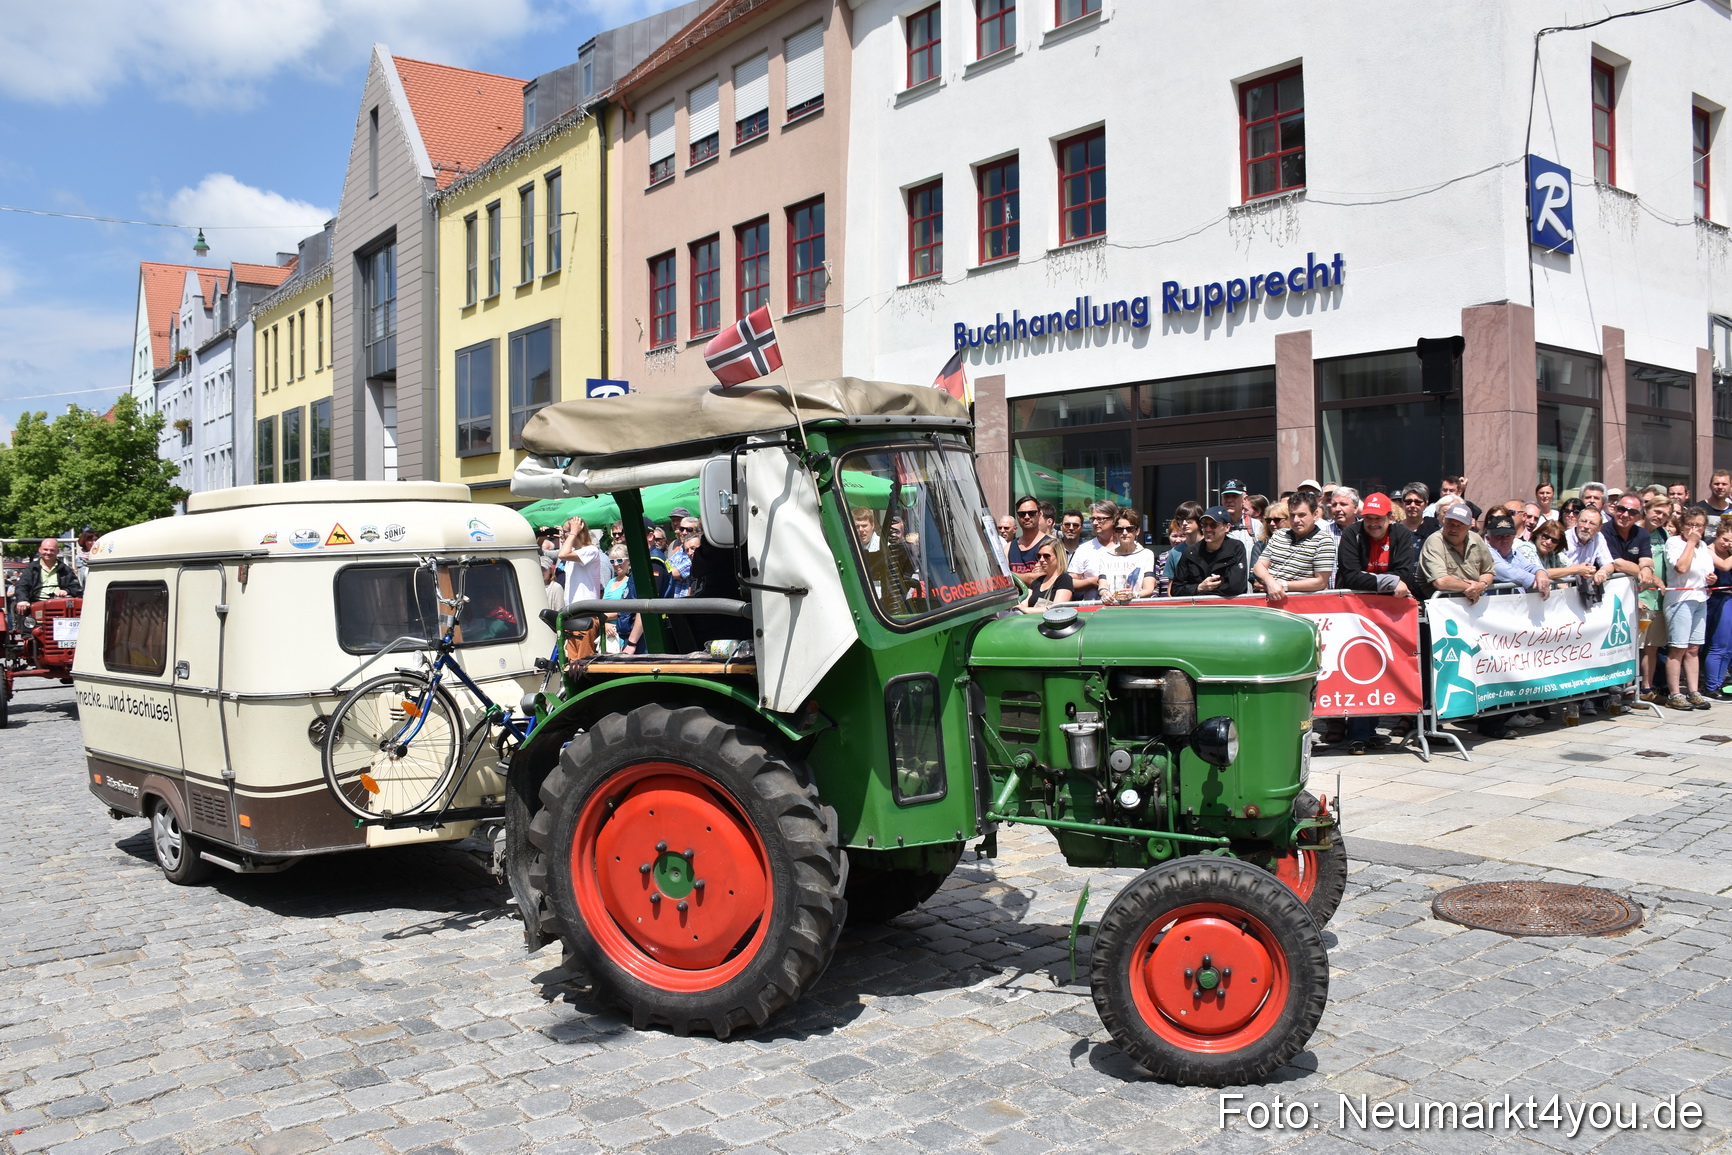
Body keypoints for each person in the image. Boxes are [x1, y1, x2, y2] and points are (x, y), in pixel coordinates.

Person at [1664, 508, 1715, 710]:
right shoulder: (1675, 543)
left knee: (1694, 648)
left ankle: (1694, 691)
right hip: (1680, 600)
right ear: (1682, 525)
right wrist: (1691, 543)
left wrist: (1711, 579)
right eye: (1690, 524)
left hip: (1700, 599)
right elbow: (1681, 568)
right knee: (1678, 647)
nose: (1694, 529)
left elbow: (1704, 572)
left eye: (1699, 526)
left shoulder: (1704, 546)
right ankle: (1674, 693)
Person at [1252, 493, 1336, 604]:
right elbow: (1259, 566)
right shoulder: (1279, 534)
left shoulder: (1323, 541)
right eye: (1292, 515)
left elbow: (1320, 582)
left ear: (1315, 515)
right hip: (1267, 603)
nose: (1296, 520)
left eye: (1302, 515)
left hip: (1299, 605)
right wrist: (1270, 582)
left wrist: (1281, 585)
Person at [1335, 492, 1417, 598]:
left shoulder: (1402, 534)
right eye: (1368, 518)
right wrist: (1391, 581)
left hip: (1392, 598)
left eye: (1378, 518)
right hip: (1355, 600)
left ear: (1390, 518)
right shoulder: (1351, 534)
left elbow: (1405, 575)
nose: (1373, 523)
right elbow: (1351, 577)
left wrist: (1366, 578)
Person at [1418, 502, 1496, 602]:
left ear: (1469, 526)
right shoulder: (1435, 541)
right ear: (1444, 521)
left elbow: (1488, 571)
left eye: (1460, 526)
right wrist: (1473, 589)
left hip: (1474, 603)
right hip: (1443, 604)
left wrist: (1482, 585)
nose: (1454, 529)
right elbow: (1441, 582)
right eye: (1450, 524)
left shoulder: (1476, 539)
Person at [1171, 506, 1248, 598]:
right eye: (1204, 524)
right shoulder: (1190, 552)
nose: (1207, 529)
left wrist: (1207, 591)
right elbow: (1176, 589)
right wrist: (1199, 588)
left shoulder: (1236, 548)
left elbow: (1237, 587)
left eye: (1213, 525)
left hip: (1227, 606)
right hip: (1198, 606)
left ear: (1227, 527)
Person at [1485, 510, 1550, 598]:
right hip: (1495, 604)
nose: (1505, 540)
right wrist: (1536, 581)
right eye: (1500, 536)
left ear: (1513, 537)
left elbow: (1531, 567)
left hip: (1517, 604)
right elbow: (1506, 572)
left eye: (1508, 536)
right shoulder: (1486, 552)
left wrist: (1541, 573)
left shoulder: (1515, 553)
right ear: (1488, 539)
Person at [1097, 510, 1159, 602]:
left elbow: (1149, 589)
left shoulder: (1146, 554)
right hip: (1112, 606)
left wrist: (1133, 595)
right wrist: (1105, 593)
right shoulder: (1105, 557)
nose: (1124, 533)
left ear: (1137, 531)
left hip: (1137, 607)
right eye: (1119, 529)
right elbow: (1102, 586)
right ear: (1114, 532)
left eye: (1130, 529)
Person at [14, 538, 82, 620]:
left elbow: (76, 588)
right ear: (40, 550)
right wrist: (23, 600)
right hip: (36, 604)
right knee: (24, 616)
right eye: (45, 550)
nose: (48, 553)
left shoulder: (65, 569)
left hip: (60, 605)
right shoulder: (31, 568)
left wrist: (66, 591)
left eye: (52, 550)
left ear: (57, 551)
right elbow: (21, 586)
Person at [1701, 523, 1732, 698]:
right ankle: (1710, 685)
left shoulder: (1729, 553)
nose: (1727, 544)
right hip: (1717, 601)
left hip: (1729, 599)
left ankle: (1719, 683)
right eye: (1725, 539)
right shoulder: (1708, 549)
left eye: (1731, 542)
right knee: (1718, 645)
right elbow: (1724, 566)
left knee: (1728, 648)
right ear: (1717, 535)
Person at [1067, 500, 1120, 602]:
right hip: (1093, 607)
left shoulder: (1126, 546)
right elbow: (1070, 582)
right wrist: (1091, 582)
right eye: (1093, 519)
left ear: (1114, 519)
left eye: (1100, 519)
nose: (1095, 523)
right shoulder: (1085, 549)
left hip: (1123, 606)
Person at [1602, 493, 1656, 589]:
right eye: (1621, 509)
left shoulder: (1643, 534)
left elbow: (1646, 559)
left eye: (1632, 512)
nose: (1625, 515)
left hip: (1629, 591)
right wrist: (1650, 576)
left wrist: (1647, 569)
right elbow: (1617, 564)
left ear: (1639, 516)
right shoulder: (1602, 531)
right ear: (1615, 509)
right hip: (1604, 589)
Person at [1019, 541, 1074, 612]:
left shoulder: (1064, 579)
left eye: (1046, 556)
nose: (1041, 560)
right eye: (1039, 556)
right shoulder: (1037, 581)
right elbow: (1023, 604)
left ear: (1058, 557)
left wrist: (1027, 610)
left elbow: (1057, 608)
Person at [1006, 494, 1053, 577]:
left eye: (1032, 513)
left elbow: (1044, 578)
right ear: (1017, 516)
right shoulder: (1008, 548)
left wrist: (1011, 575)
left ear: (1040, 514)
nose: (1027, 517)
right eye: (1022, 514)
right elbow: (1002, 577)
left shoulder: (1051, 544)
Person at [601, 548, 637, 652]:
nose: (616, 564)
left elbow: (630, 610)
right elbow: (602, 608)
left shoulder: (630, 582)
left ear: (628, 561)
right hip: (607, 633)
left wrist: (603, 618)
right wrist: (605, 624)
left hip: (622, 632)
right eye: (612, 561)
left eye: (620, 560)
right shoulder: (610, 582)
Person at [1162, 501, 1203, 584]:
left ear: (1199, 521)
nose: (1184, 523)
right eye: (1180, 520)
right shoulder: (1175, 552)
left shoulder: (1211, 545)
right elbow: (1172, 586)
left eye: (1189, 520)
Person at [1220, 480, 1261, 549]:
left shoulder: (1256, 526)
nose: (1229, 500)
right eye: (1226, 496)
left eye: (1234, 496)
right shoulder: (1215, 525)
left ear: (1244, 499)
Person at [1252, 501, 1287, 569]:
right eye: (1269, 520)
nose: (1272, 523)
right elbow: (1254, 573)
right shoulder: (1261, 545)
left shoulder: (1298, 543)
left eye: (1277, 520)